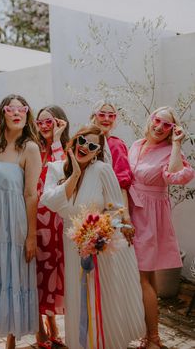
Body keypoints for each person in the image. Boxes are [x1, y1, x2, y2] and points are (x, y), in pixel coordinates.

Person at [41, 125, 146, 348]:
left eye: (91, 145)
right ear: (75, 141)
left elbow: (115, 209)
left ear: (98, 150)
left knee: (101, 297)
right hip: (72, 245)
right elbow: (50, 201)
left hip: (100, 245)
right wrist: (75, 175)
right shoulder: (57, 168)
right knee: (78, 295)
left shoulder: (102, 170)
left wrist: (103, 231)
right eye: (81, 141)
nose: (84, 147)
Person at [128, 106, 195, 349]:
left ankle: (153, 338)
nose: (159, 127)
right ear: (150, 119)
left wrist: (177, 144)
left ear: (172, 130)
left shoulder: (169, 150)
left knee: (143, 278)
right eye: (157, 121)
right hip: (130, 212)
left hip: (150, 217)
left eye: (167, 125)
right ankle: (150, 336)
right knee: (146, 279)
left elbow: (177, 176)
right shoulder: (136, 144)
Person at [0, 94, 42, 349]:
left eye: (22, 109)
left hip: (13, 225)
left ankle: (10, 343)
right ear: (2, 113)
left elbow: (31, 194)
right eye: (10, 109)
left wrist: (31, 236)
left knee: (11, 277)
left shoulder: (30, 148)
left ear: (27, 114)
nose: (17, 113)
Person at [35, 105, 69, 348]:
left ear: (61, 123)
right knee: (39, 272)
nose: (46, 126)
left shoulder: (68, 148)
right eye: (41, 123)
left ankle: (53, 323)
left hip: (58, 220)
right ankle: (41, 331)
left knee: (55, 273)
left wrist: (57, 140)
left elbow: (62, 176)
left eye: (51, 122)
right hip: (35, 219)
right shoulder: (32, 149)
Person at [90, 100, 134, 245]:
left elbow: (122, 184)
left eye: (111, 115)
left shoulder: (116, 145)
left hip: (110, 209)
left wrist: (125, 217)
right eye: (102, 114)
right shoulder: (85, 142)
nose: (106, 119)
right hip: (88, 206)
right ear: (94, 116)